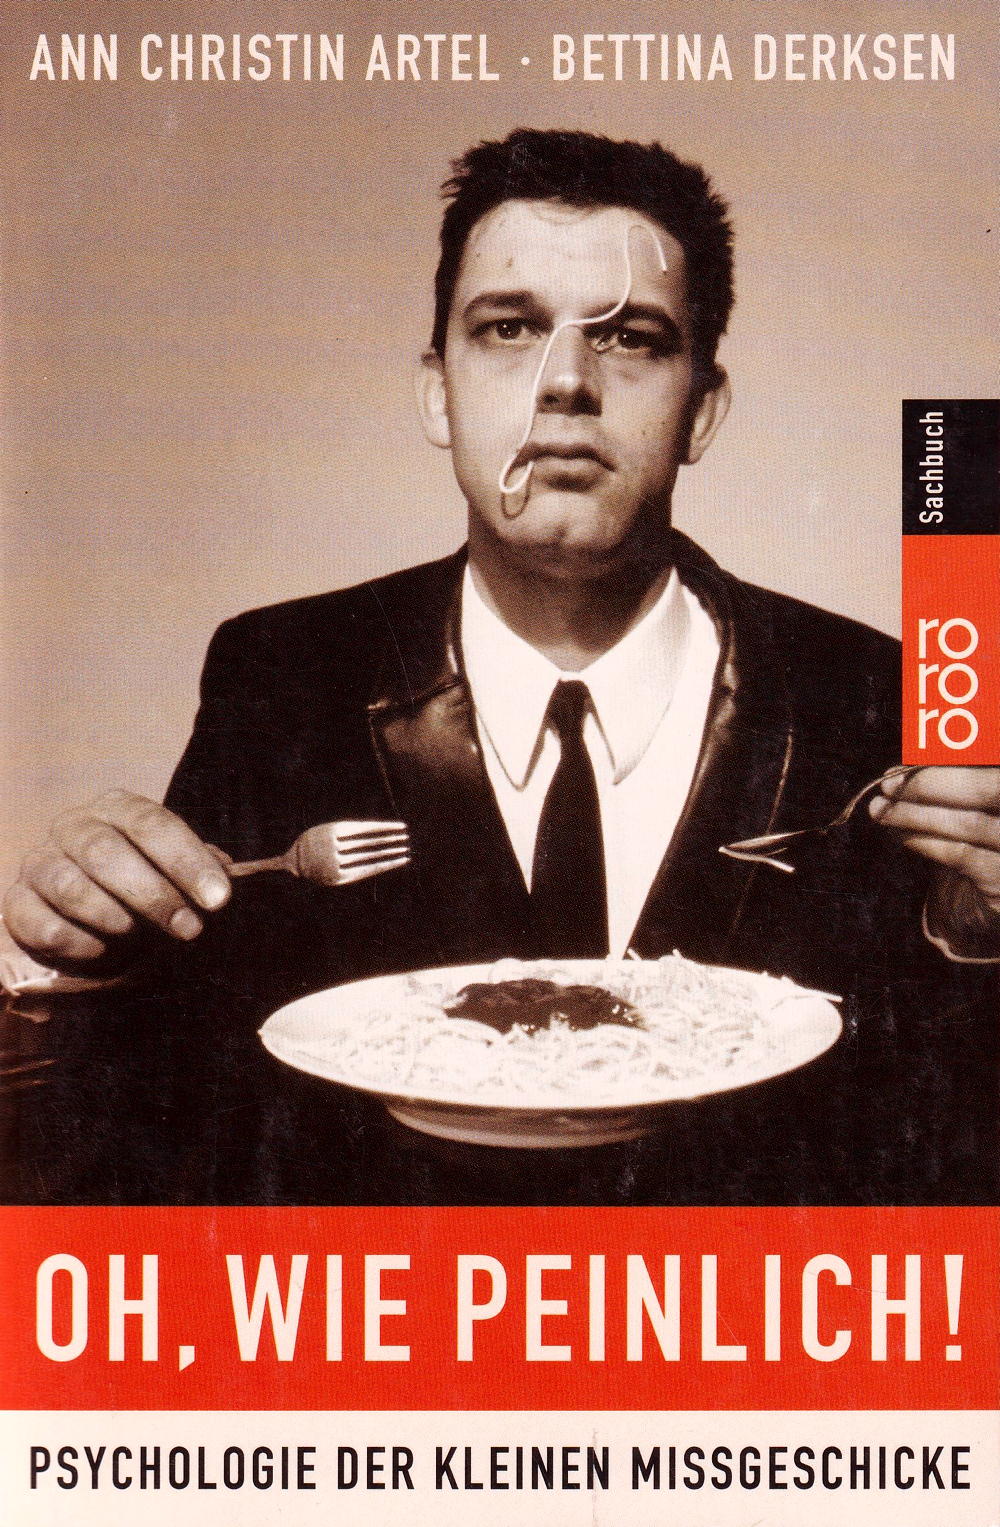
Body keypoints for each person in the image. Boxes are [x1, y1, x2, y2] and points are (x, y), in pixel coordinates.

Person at [4, 129, 998, 1206]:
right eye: (509, 328)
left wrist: (976, 943)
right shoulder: (277, 677)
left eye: (631, 338)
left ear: (701, 409)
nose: (565, 382)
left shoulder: (878, 696)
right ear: (439, 392)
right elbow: (163, 1124)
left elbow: (933, 1149)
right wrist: (80, 965)